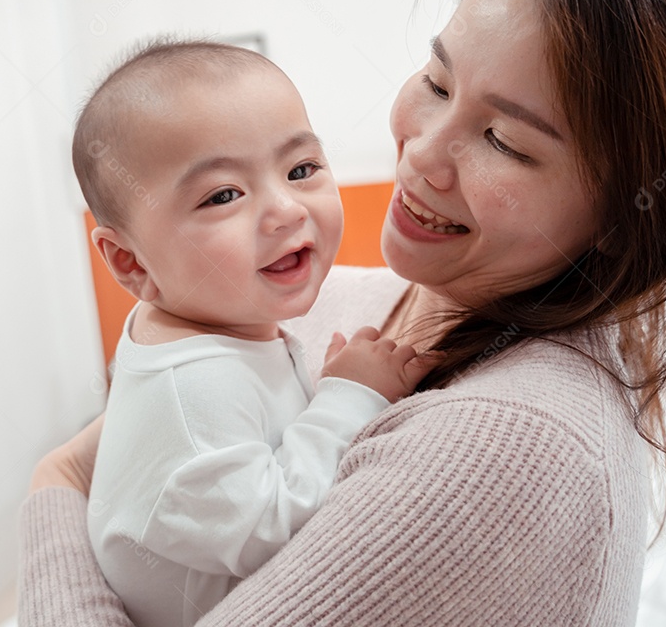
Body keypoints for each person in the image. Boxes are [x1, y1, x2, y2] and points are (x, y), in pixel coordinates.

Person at [20, 0, 666, 624]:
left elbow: (78, 469)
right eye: (437, 83)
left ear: (626, 228)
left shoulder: (513, 450)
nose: (420, 152)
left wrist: (51, 485)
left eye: (504, 139)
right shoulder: (291, 308)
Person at [72, 40, 431, 627]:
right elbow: (274, 529)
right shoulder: (189, 391)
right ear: (131, 262)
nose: (286, 208)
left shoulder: (212, 322)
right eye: (223, 195)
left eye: (301, 169)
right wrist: (347, 399)